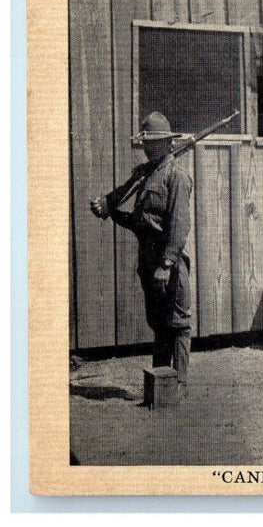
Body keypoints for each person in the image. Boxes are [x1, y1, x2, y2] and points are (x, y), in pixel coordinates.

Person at [89, 112, 193, 388]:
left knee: (179, 324)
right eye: (145, 142)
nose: (146, 147)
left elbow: (179, 226)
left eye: (152, 142)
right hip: (148, 260)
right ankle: (161, 386)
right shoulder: (144, 175)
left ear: (166, 144)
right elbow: (137, 217)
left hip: (168, 261)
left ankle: (179, 386)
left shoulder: (177, 176)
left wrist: (166, 265)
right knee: (159, 324)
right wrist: (107, 208)